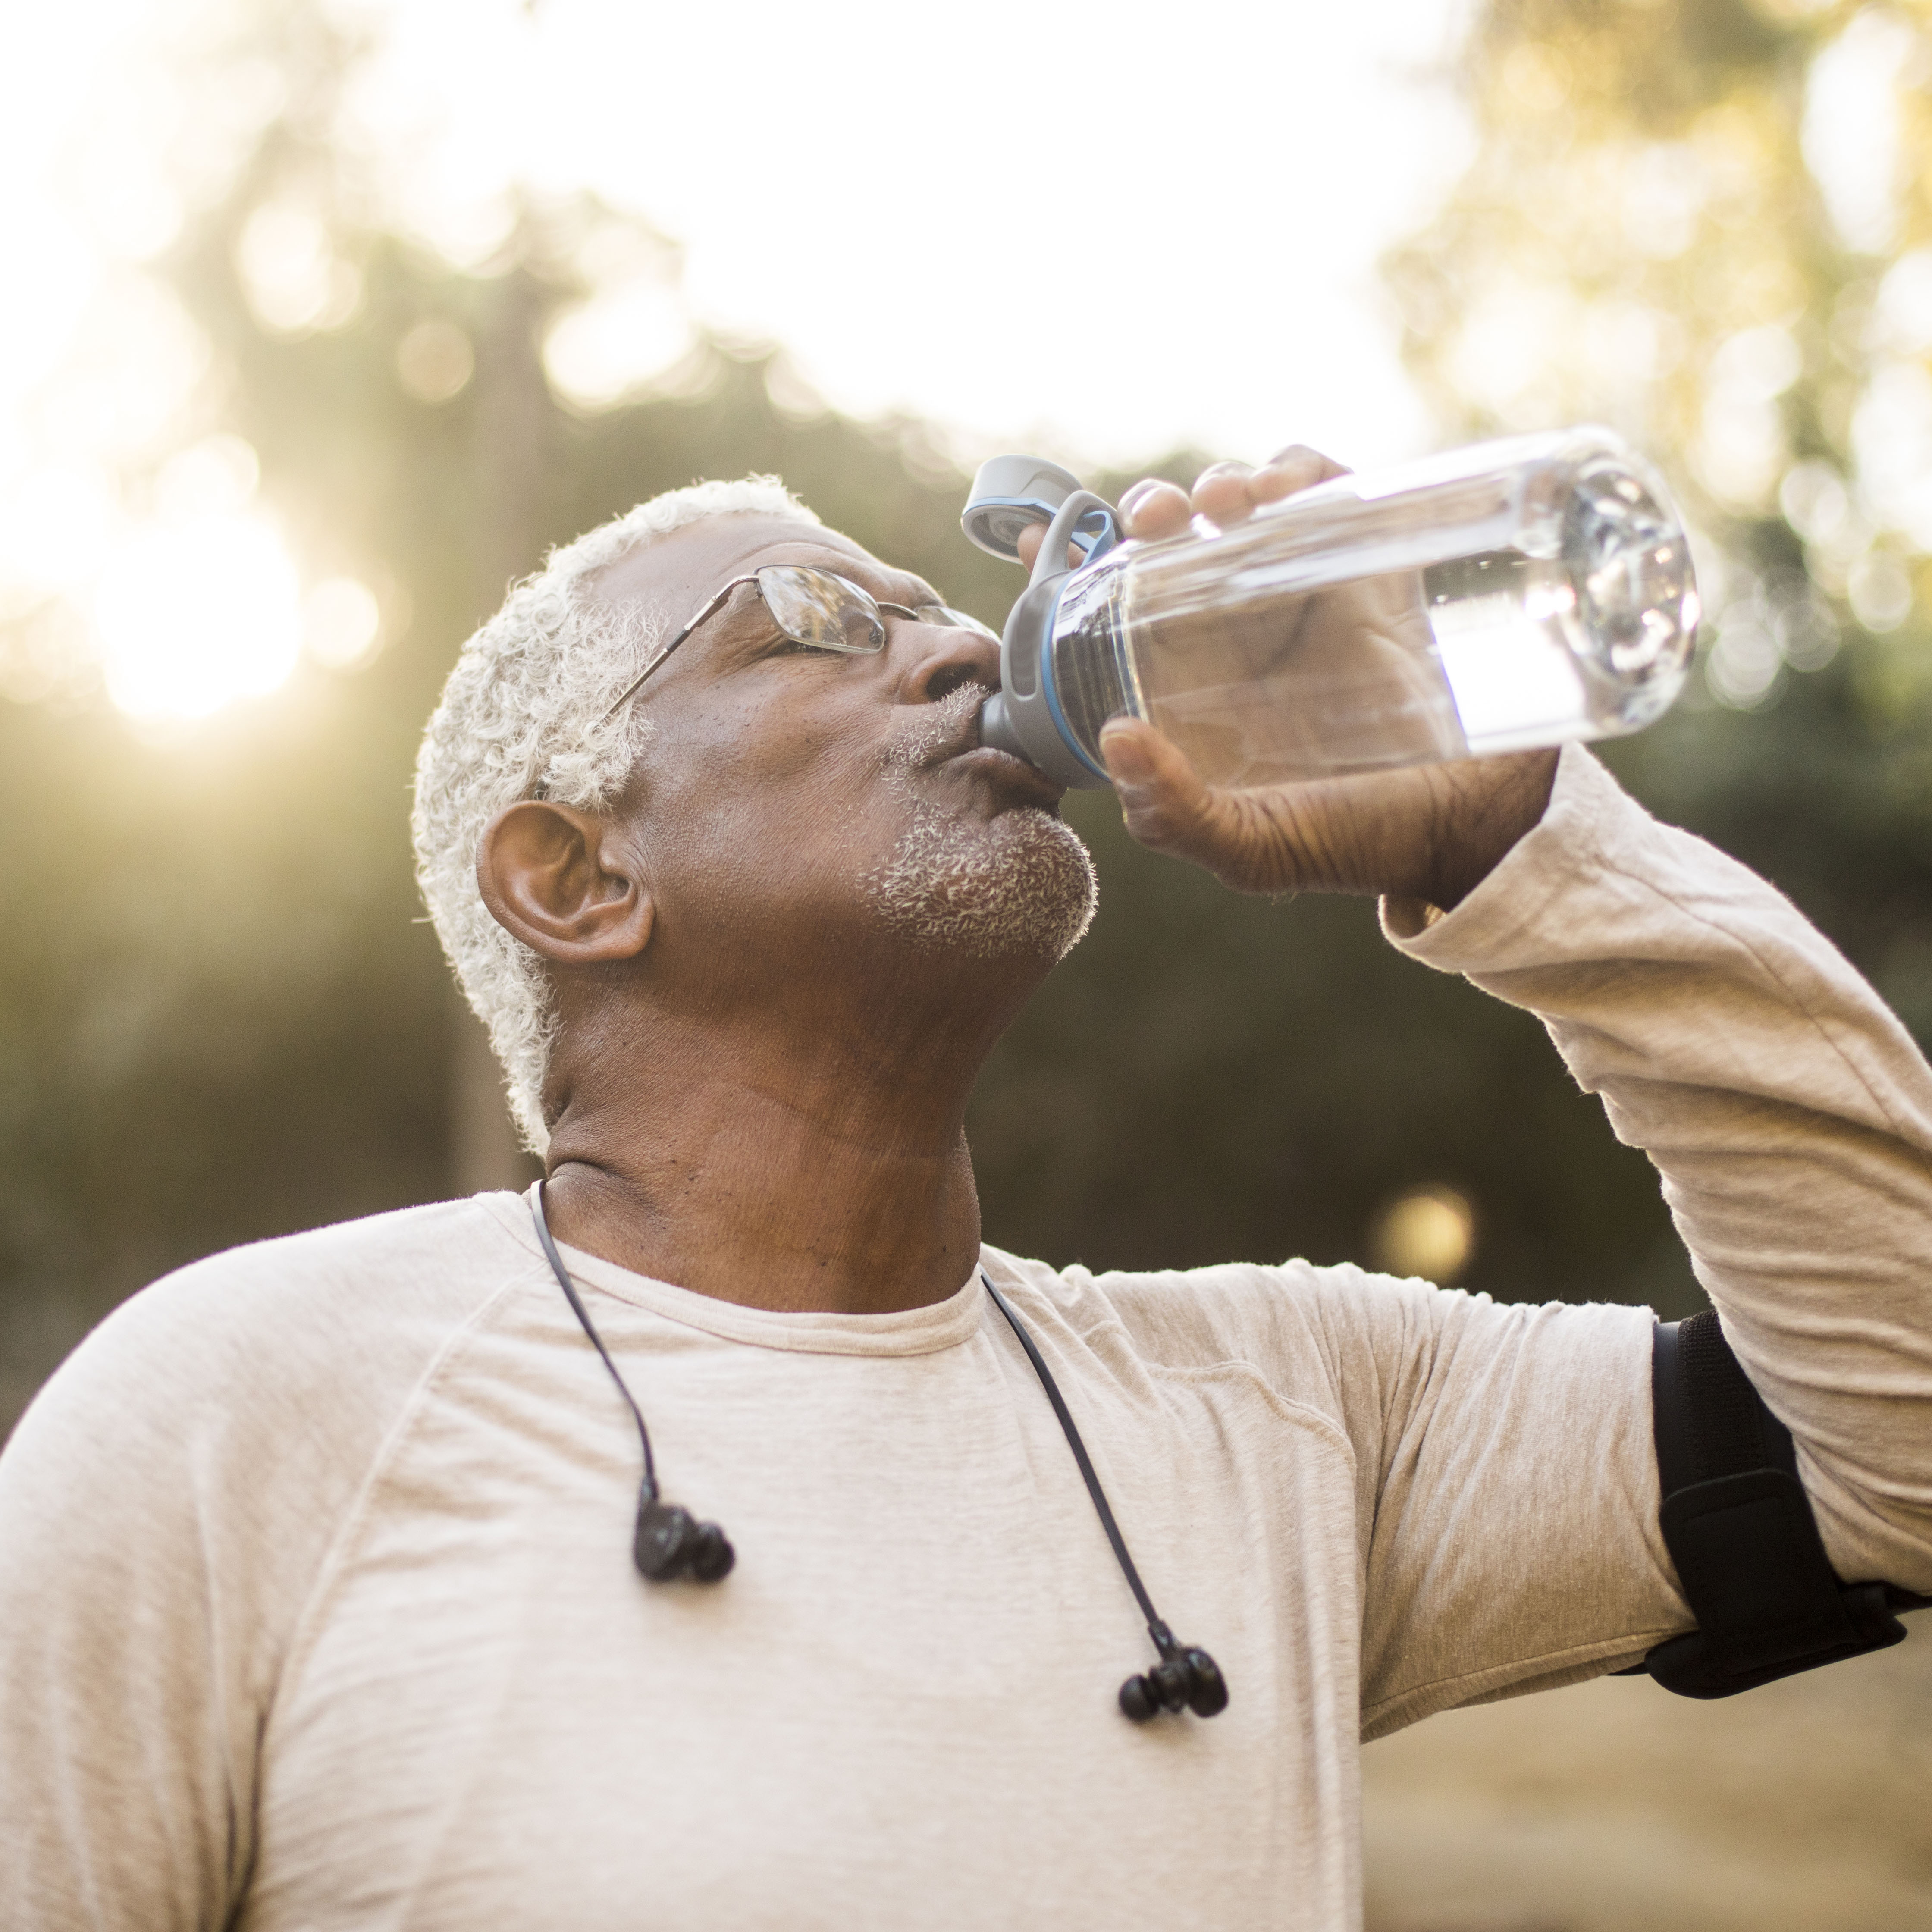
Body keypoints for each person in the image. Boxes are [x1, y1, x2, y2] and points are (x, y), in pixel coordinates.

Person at [2, 447, 1929, 1932]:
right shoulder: (240, 1407)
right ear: (576, 876)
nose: (951, 645)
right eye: (813, 622)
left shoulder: (1300, 1412)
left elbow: (1905, 1438)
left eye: (942, 606)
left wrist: (1518, 845)